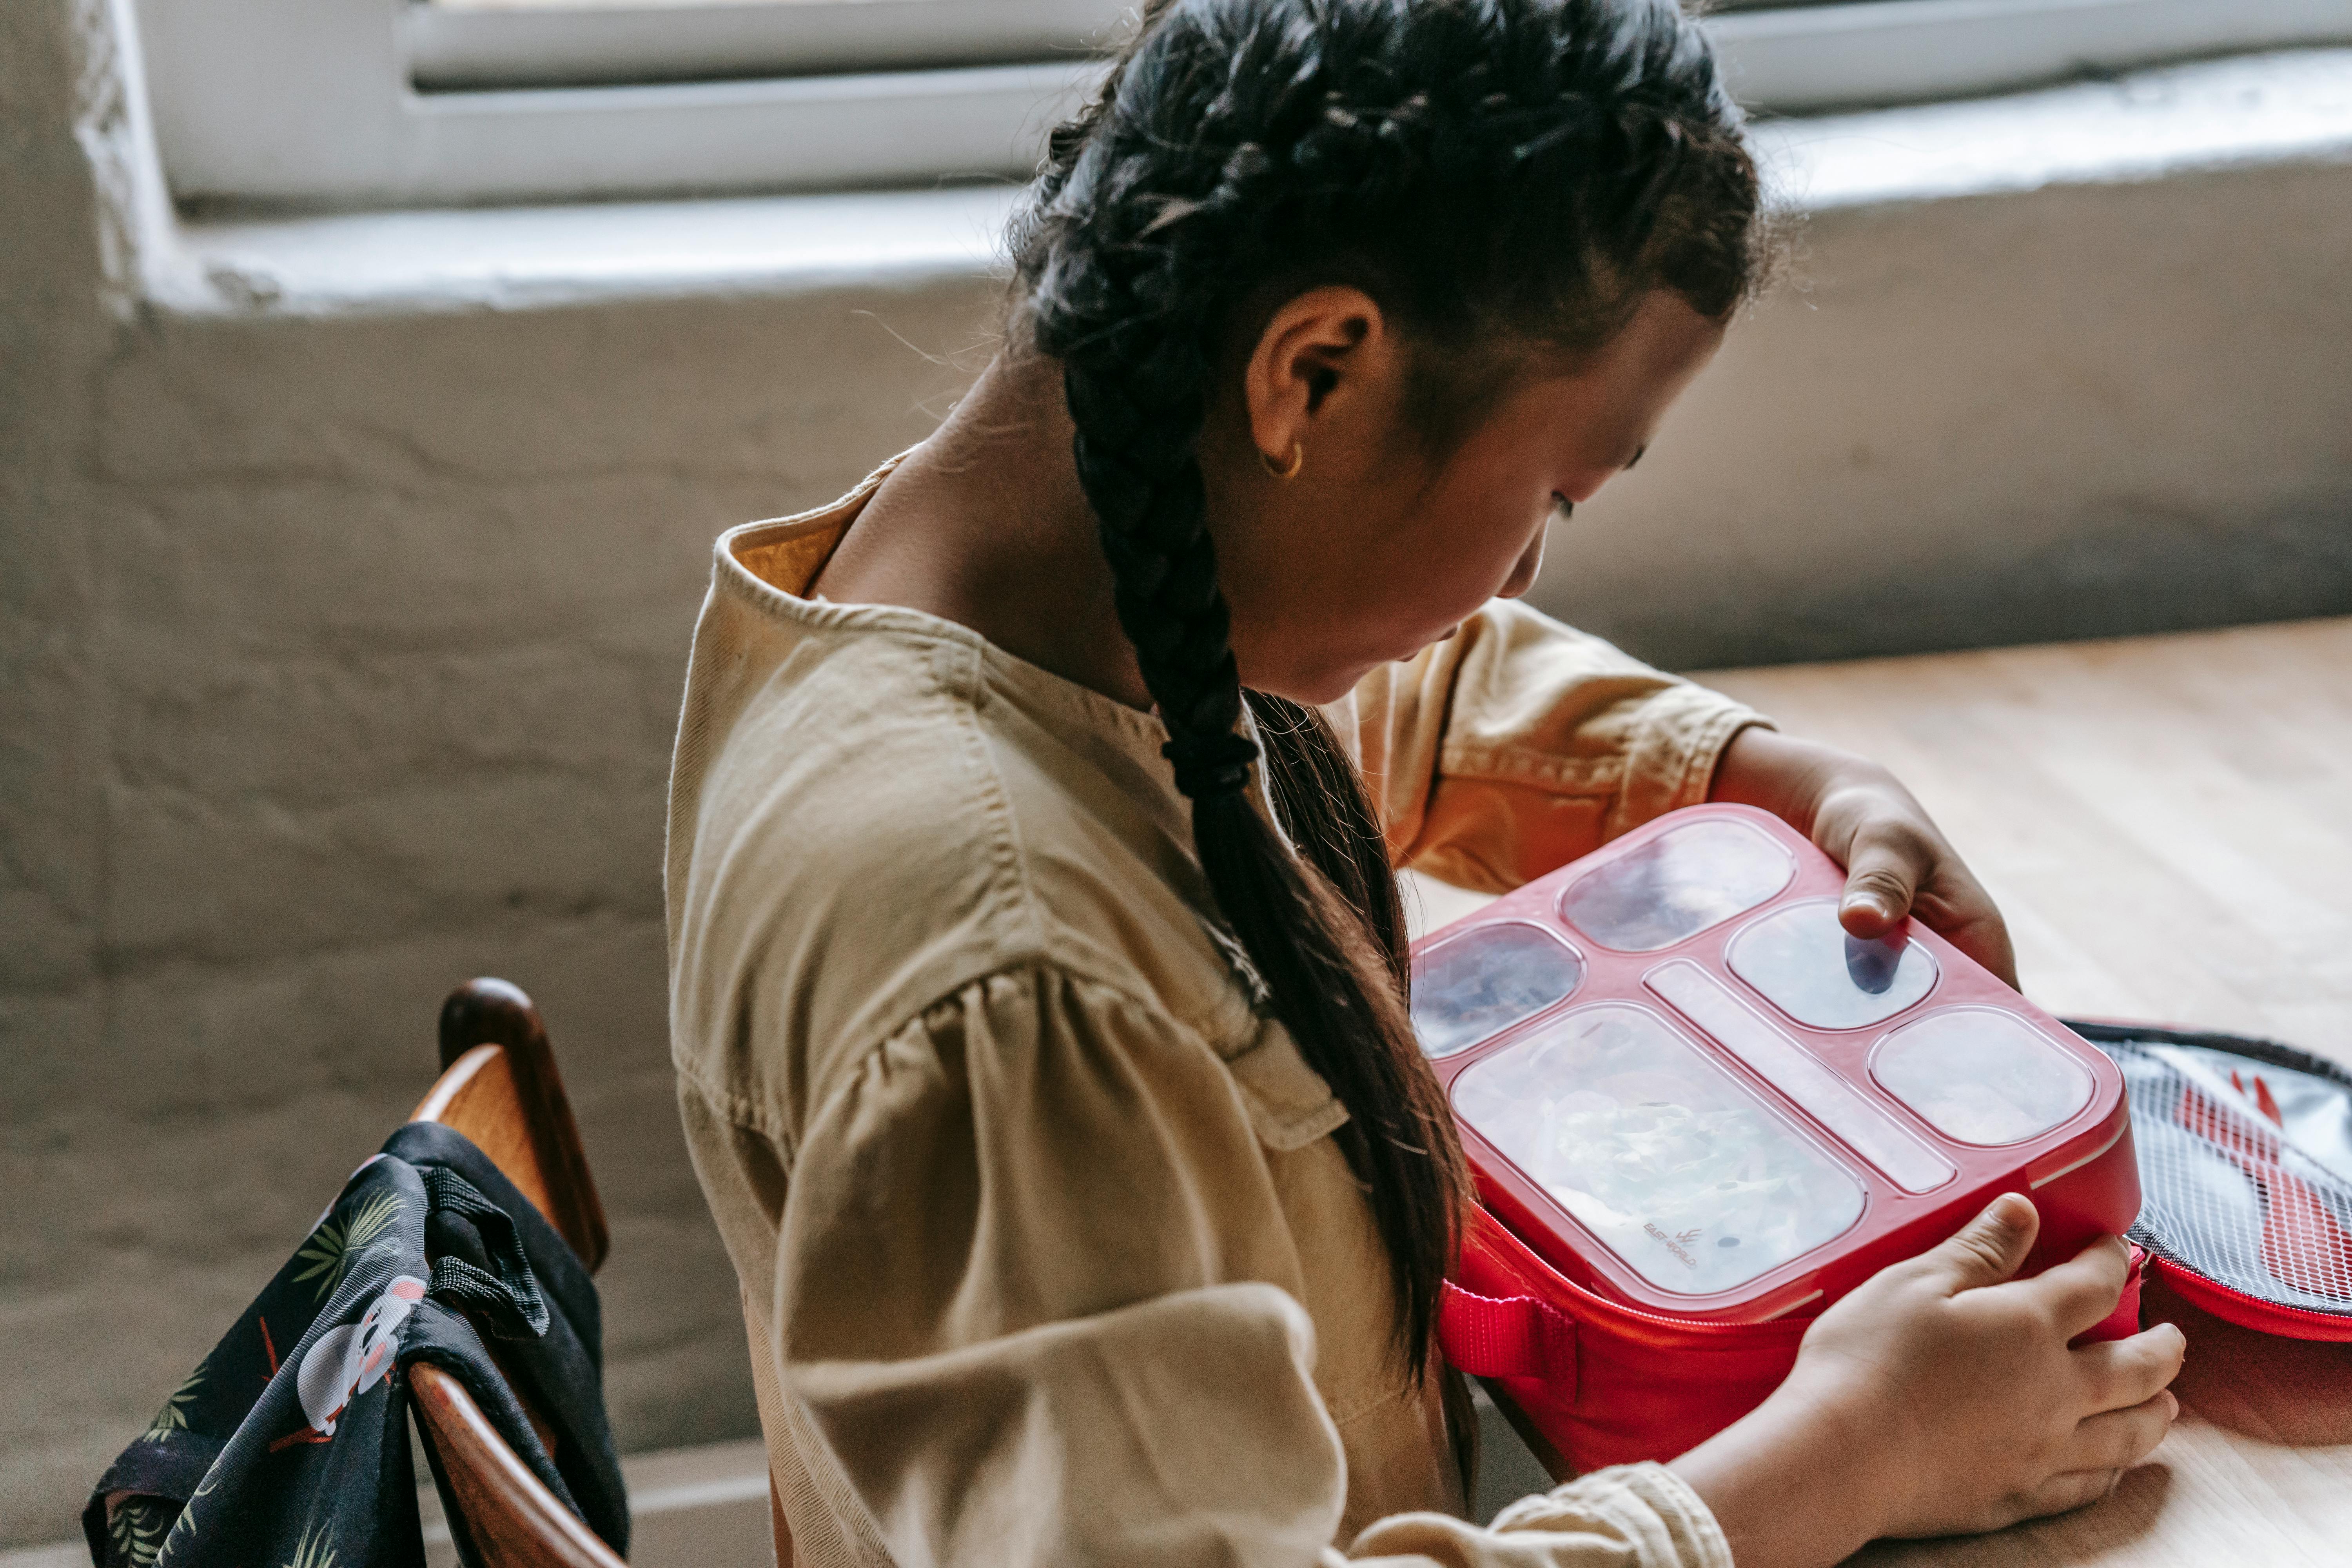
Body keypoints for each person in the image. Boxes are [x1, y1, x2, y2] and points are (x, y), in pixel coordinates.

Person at [664, 0, 2185, 1562]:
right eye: (1556, 497)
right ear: (1313, 374)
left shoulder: (1009, 598)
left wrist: (1760, 773)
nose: (1522, 568)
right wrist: (1853, 1452)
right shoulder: (1019, 976)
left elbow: (1361, 696)